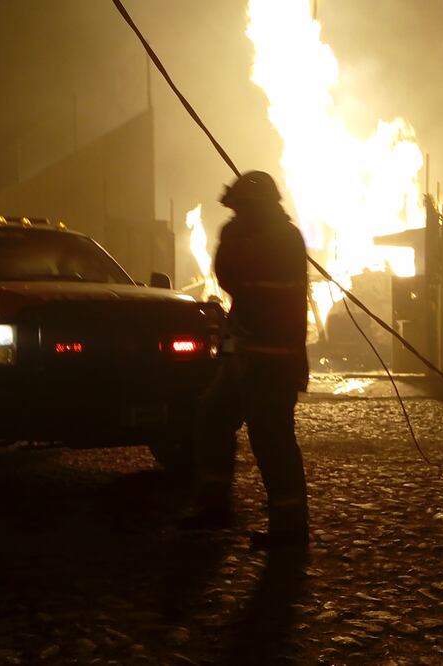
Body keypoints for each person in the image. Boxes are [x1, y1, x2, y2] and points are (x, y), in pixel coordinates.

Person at [180, 171, 310, 549]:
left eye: (240, 209)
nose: (234, 216)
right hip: (245, 356)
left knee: (272, 440)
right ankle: (213, 505)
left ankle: (290, 529)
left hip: (271, 360)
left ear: (257, 207)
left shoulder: (279, 239)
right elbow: (230, 277)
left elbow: (235, 276)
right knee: (212, 416)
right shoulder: (262, 234)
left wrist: (233, 235)